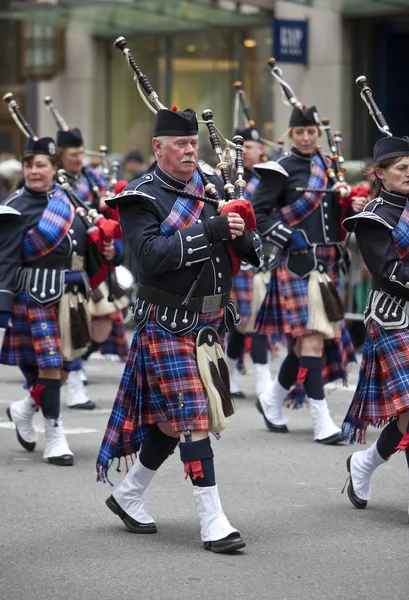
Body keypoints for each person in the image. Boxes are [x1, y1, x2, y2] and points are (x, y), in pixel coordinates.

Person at [97, 107, 261, 553]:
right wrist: (211, 228)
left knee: (172, 423)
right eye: (180, 145)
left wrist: (242, 232)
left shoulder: (209, 184)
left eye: (194, 144)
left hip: (209, 323)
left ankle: (129, 493)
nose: (190, 151)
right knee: (194, 418)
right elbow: (149, 256)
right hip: (167, 321)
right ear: (158, 147)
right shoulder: (139, 197)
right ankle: (213, 520)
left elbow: (252, 249)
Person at [252, 105, 361, 444]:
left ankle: (271, 400)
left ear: (317, 134)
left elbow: (334, 214)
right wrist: (287, 236)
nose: (305, 137)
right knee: (312, 339)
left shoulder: (329, 168)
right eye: (299, 132)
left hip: (328, 263)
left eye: (311, 132)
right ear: (290, 134)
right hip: (297, 264)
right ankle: (321, 420)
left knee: (304, 344)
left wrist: (351, 206)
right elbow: (258, 214)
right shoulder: (279, 170)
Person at [0, 136, 92, 465]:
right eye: (29, 165)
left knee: (65, 370)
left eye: (41, 165)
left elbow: (82, 247)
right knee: (51, 366)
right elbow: (6, 261)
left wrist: (110, 249)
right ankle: (55, 434)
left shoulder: (67, 200)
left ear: (55, 168)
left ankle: (23, 409)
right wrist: (3, 309)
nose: (34, 171)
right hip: (35, 297)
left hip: (72, 296)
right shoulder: (13, 208)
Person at [341, 136, 409, 510]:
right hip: (393, 319)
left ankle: (364, 462)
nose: (408, 174)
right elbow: (389, 274)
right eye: (402, 168)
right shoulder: (371, 219)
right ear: (380, 174)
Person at [56, 128, 128, 407]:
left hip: (95, 261)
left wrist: (114, 248)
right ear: (60, 156)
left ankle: (74, 364)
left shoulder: (92, 178)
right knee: (73, 325)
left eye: (80, 153)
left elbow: (111, 216)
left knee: (102, 326)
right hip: (68, 264)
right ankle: (73, 380)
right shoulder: (56, 183)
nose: (79, 159)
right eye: (73, 155)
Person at [225, 125, 272, 401]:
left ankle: (228, 377)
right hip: (240, 259)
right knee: (249, 323)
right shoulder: (229, 179)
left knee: (248, 323)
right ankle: (264, 380)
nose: (259, 151)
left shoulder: (264, 179)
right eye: (252, 147)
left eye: (257, 147)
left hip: (262, 256)